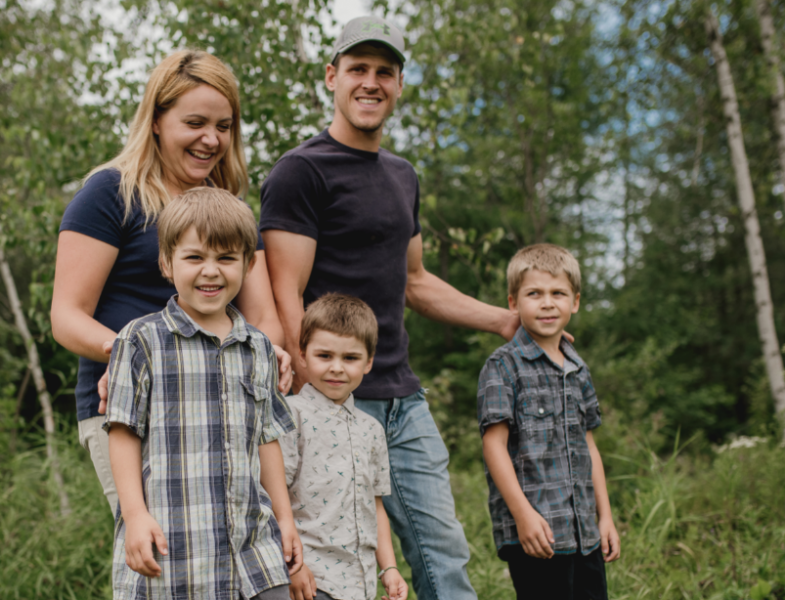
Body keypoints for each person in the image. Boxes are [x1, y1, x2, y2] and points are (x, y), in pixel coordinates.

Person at [260, 16, 518, 600]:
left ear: (400, 84)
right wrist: (315, 403)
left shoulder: (403, 176)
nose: (371, 82)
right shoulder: (300, 172)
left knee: (442, 549)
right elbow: (285, 298)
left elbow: (416, 282)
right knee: (334, 557)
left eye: (385, 71)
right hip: (331, 397)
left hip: (404, 399)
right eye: (358, 69)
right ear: (332, 77)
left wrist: (504, 320)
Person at [51, 50, 290, 514]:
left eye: (224, 127)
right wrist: (134, 355)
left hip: (220, 405)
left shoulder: (228, 208)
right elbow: (66, 316)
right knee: (166, 552)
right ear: (157, 120)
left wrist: (262, 355)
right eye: (195, 122)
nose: (211, 139)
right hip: (131, 411)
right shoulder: (110, 194)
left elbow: (263, 318)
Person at [104, 188, 301, 599]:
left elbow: (267, 440)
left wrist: (285, 518)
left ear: (248, 265)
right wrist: (135, 515)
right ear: (166, 262)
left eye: (226, 258)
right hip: (176, 551)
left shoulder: (260, 348)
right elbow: (123, 432)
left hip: (252, 553)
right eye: (194, 257)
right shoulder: (141, 340)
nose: (210, 271)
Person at [477, 244, 620, 600]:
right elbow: (493, 445)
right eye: (534, 293)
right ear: (513, 302)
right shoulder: (503, 365)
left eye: (558, 293)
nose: (547, 302)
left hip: (584, 529)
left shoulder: (578, 368)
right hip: (537, 531)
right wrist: (523, 515)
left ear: (575, 302)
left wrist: (605, 517)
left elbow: (588, 445)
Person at [280, 294, 408, 600]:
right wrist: (293, 567)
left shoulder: (372, 429)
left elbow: (375, 503)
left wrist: (388, 567)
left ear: (368, 362)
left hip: (360, 580)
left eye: (350, 358)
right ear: (302, 354)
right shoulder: (289, 415)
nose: (337, 368)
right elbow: (274, 496)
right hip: (311, 578)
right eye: (324, 356)